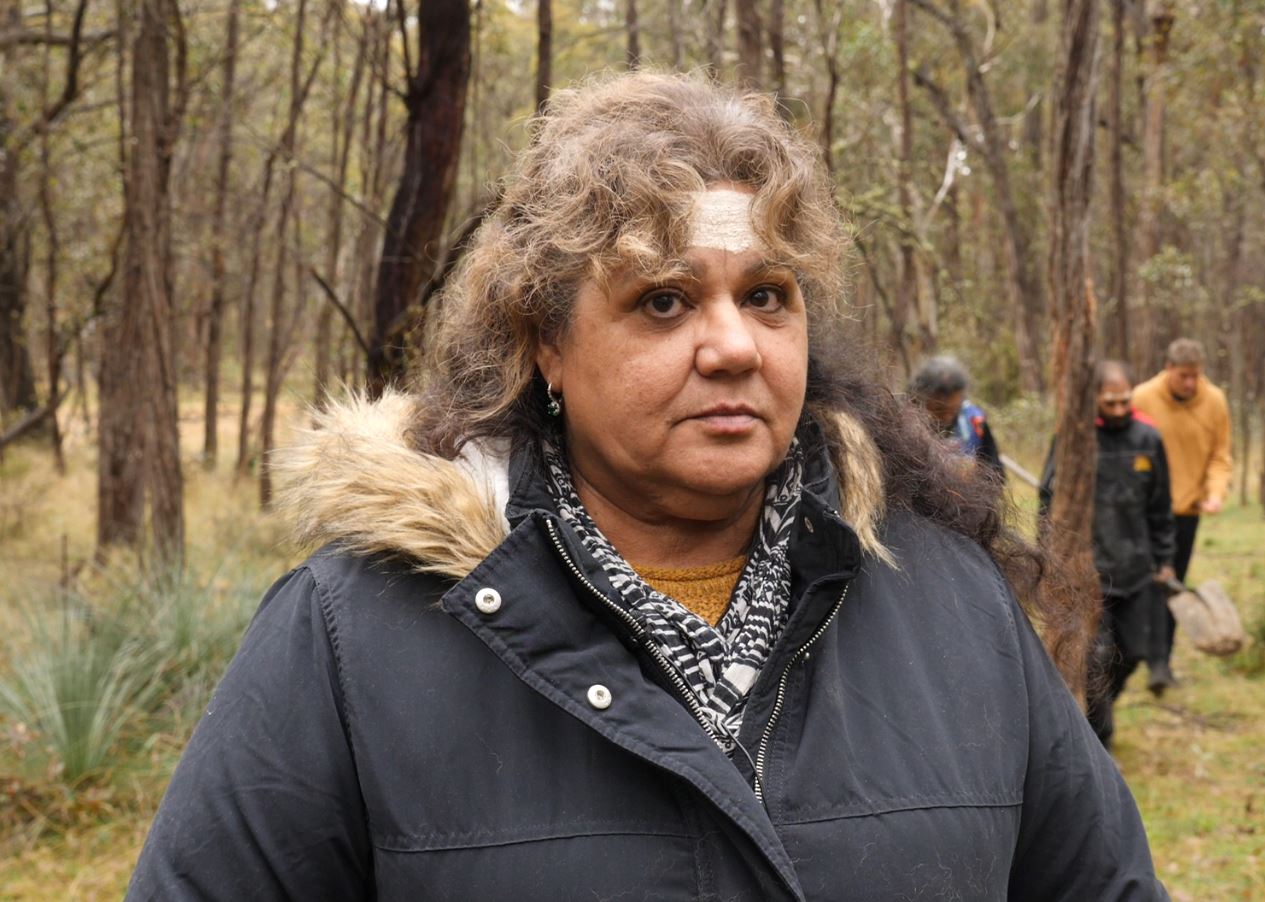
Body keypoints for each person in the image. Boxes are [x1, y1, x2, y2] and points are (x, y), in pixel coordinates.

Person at [127, 73, 1163, 900]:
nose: (731, 345)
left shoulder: (948, 598)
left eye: (767, 295)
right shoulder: (350, 636)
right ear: (545, 345)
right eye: (663, 301)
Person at [1039, 362, 1175, 749]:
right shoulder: (1073, 439)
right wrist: (1049, 556)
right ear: (1094, 399)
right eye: (1109, 402)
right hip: (1088, 572)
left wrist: (1164, 558)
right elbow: (1047, 502)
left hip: (1136, 568)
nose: (1118, 409)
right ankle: (1100, 738)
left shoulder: (1148, 438)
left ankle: (1101, 709)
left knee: (1132, 653)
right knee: (1096, 656)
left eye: (1124, 401)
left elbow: (1161, 506)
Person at [1130, 338, 1232, 693]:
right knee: (1142, 587)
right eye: (1183, 376)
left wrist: (1215, 493)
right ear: (1168, 369)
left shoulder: (1215, 401)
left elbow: (1220, 454)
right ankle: (1138, 657)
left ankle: (1162, 664)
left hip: (1185, 512)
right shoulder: (1142, 398)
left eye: (1196, 376)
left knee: (1172, 586)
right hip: (1142, 512)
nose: (1190, 383)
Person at [909, 354, 1006, 483]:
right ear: (919, 401)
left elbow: (996, 473)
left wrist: (976, 473)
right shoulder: (906, 425)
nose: (947, 417)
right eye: (939, 410)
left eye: (954, 410)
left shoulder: (974, 421)